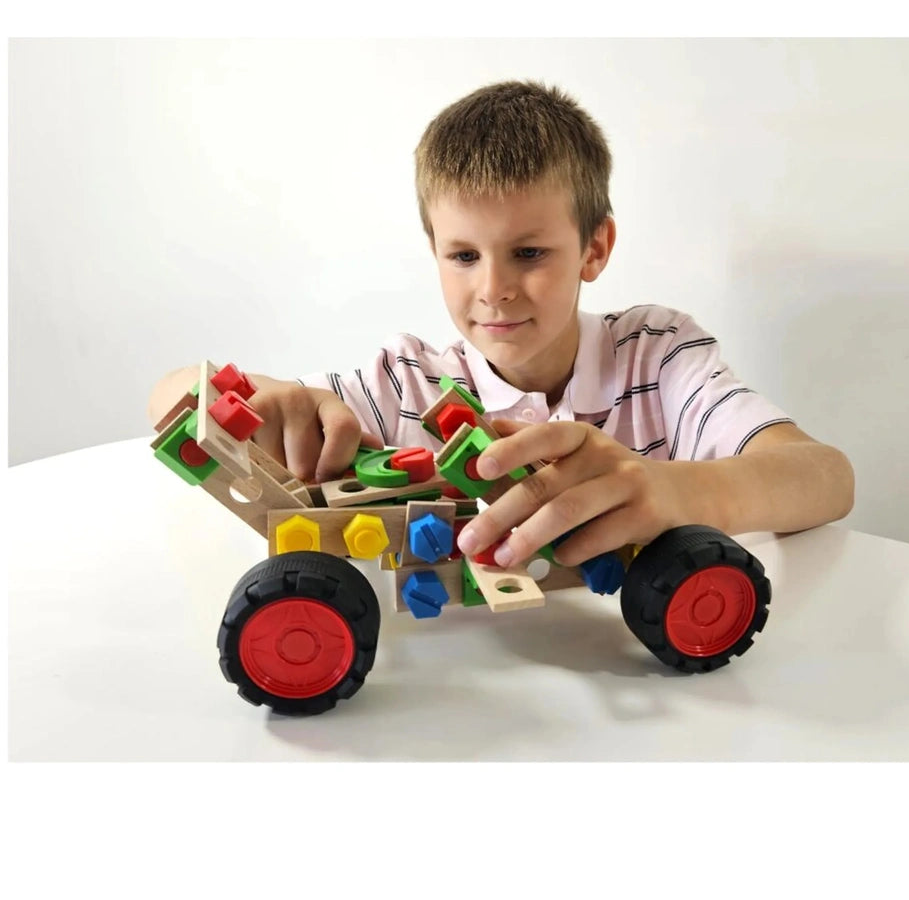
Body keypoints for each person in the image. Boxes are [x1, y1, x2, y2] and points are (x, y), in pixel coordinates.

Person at [148, 80, 854, 570]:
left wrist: (672, 490)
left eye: (529, 253)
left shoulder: (659, 357)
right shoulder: (408, 386)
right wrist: (275, 400)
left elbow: (824, 476)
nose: (494, 290)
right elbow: (170, 397)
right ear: (435, 254)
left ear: (595, 249)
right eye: (463, 255)